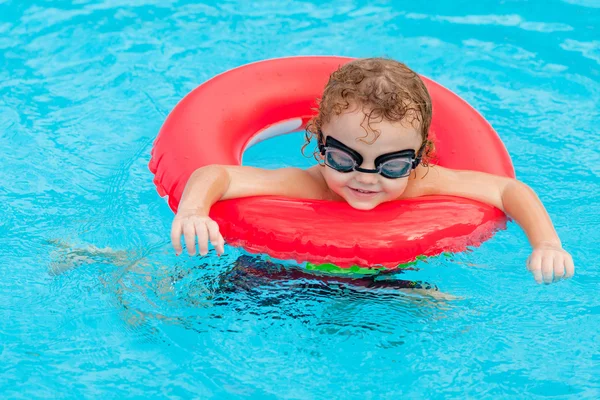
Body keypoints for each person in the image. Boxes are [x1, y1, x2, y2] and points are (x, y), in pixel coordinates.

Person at [170, 58, 574, 285]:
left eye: (392, 164)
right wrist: (192, 212)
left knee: (437, 307)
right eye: (344, 159)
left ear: (420, 156)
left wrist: (546, 244)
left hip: (385, 281)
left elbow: (508, 191)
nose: (365, 177)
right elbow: (214, 174)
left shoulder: (423, 183)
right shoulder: (307, 185)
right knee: (205, 290)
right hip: (285, 271)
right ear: (319, 143)